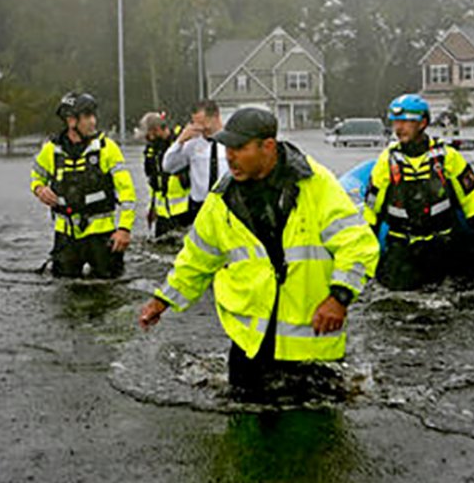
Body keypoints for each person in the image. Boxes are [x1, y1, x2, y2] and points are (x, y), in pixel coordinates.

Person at [138, 107, 379, 397]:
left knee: (315, 435)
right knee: (243, 430)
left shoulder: (315, 184)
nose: (230, 156)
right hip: (250, 344)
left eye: (239, 148)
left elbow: (357, 243)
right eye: (227, 148)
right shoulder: (222, 198)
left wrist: (339, 297)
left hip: (311, 345)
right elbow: (196, 258)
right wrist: (163, 299)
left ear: (268, 147)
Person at [364, 94, 474, 289]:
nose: (398, 129)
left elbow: (470, 201)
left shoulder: (448, 157)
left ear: (423, 123)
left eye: (406, 122)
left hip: (443, 244)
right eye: (395, 123)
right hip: (403, 248)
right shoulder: (386, 162)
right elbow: (371, 211)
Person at [31, 92, 136, 278]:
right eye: (87, 116)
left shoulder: (107, 148)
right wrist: (39, 189)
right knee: (64, 289)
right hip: (66, 237)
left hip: (102, 236)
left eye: (94, 115)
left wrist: (124, 229)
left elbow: (127, 192)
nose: (93, 121)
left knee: (109, 290)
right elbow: (36, 176)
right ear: (71, 121)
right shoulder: (51, 150)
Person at [162, 100, 229, 215]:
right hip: (199, 206)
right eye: (196, 123)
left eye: (204, 123)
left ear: (216, 116)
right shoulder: (192, 143)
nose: (201, 128)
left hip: (226, 203)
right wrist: (179, 141)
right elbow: (168, 166)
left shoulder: (231, 141)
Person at [141, 111, 192, 237]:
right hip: (162, 214)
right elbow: (153, 179)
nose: (148, 137)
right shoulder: (152, 148)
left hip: (184, 212)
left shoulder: (180, 145)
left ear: (157, 129)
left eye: (150, 133)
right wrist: (152, 207)